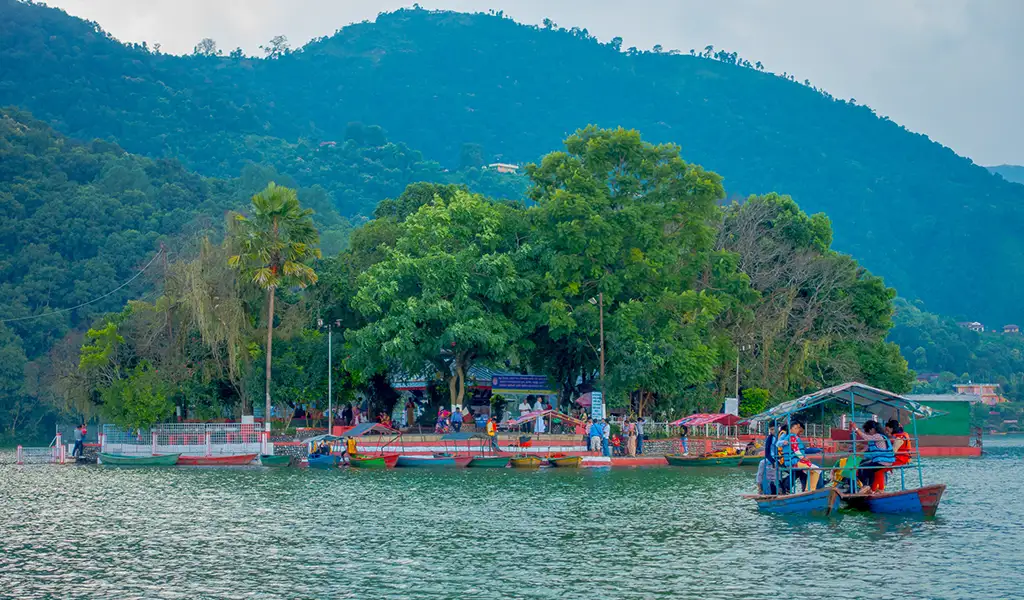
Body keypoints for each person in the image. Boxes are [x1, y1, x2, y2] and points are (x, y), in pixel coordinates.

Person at [851, 420, 895, 493]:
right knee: (870, 469)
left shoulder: (877, 436)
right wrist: (858, 453)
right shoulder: (883, 437)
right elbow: (869, 448)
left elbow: (866, 437)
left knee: (863, 468)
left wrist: (856, 429)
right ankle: (871, 488)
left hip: (882, 462)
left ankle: (866, 486)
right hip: (887, 461)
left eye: (868, 431)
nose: (868, 434)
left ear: (872, 429)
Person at [779, 420, 820, 493]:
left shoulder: (793, 437)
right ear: (791, 429)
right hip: (793, 461)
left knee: (810, 471)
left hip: (794, 460)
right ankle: (809, 489)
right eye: (796, 428)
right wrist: (803, 458)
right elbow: (796, 450)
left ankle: (809, 489)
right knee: (816, 470)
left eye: (798, 428)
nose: (797, 430)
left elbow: (799, 450)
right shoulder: (790, 437)